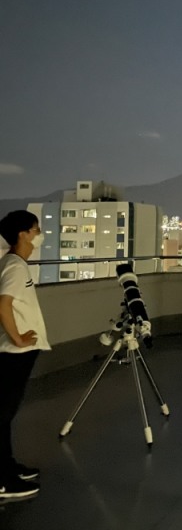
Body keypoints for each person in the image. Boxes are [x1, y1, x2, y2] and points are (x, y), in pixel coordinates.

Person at [0, 210, 51, 500]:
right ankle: (3, 480)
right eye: (36, 229)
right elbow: (3, 304)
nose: (39, 234)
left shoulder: (14, 264)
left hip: (16, 352)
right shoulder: (15, 267)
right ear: (23, 234)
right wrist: (18, 339)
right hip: (13, 353)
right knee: (2, 414)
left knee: (5, 414)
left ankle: (7, 467)